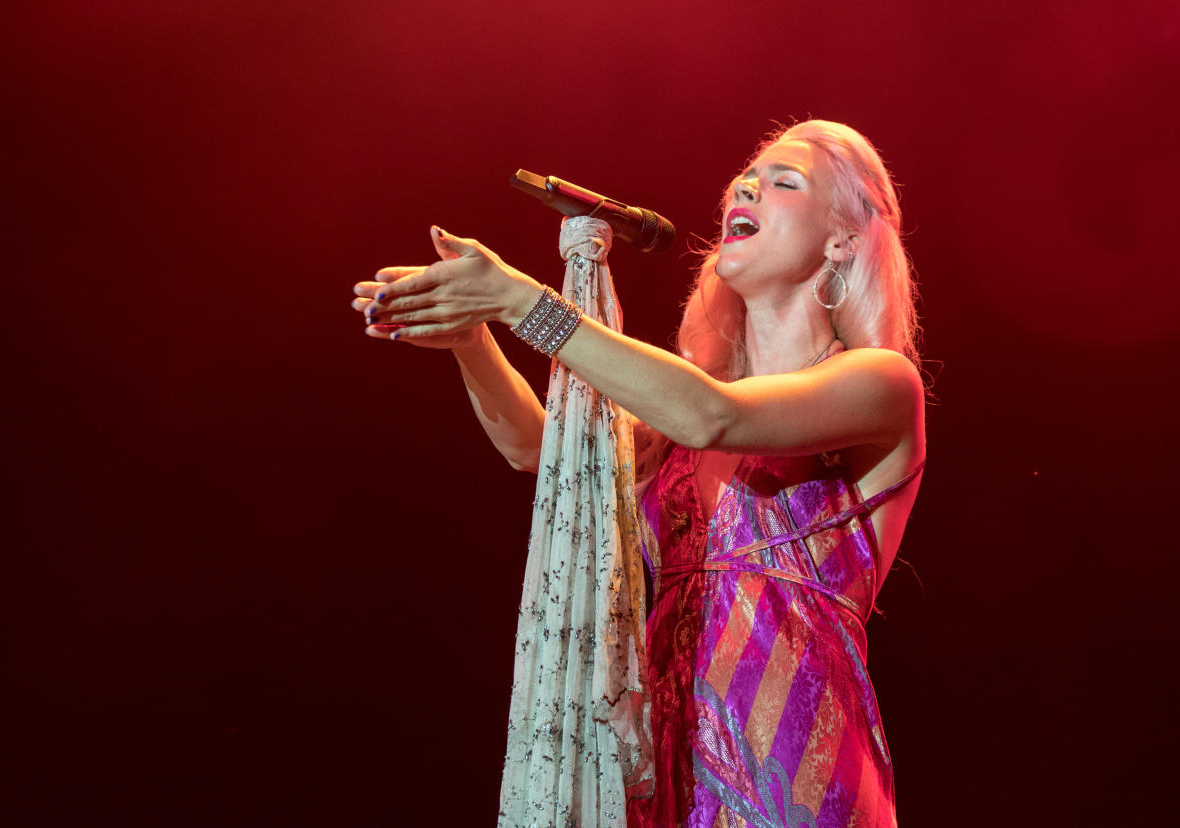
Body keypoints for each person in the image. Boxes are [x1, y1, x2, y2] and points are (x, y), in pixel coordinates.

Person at [354, 120, 925, 827]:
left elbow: (713, 415)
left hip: (795, 768)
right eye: (748, 175)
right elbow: (541, 449)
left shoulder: (881, 385)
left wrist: (520, 302)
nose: (747, 185)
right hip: (669, 760)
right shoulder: (679, 424)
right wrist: (474, 339)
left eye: (785, 181)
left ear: (842, 240)